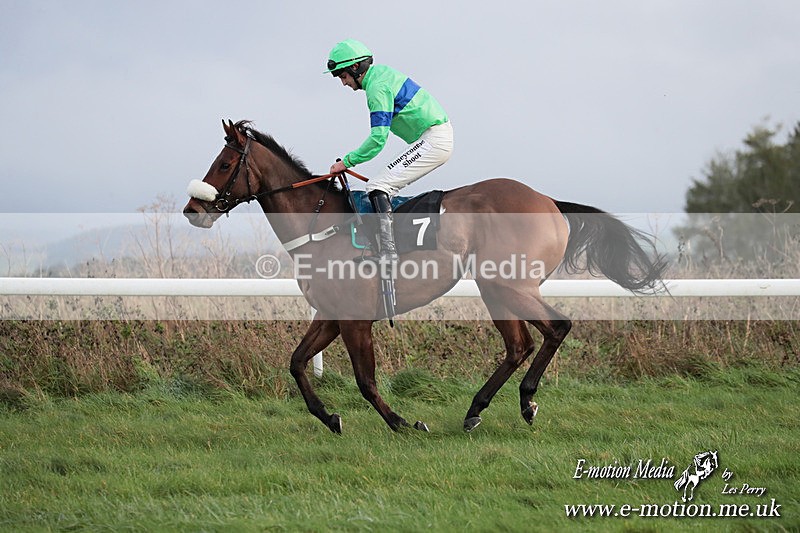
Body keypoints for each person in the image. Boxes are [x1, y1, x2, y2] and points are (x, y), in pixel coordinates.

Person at [326, 39, 453, 264]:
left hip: (435, 139)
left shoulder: (376, 88)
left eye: (343, 76)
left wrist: (346, 162)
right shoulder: (381, 74)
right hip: (434, 137)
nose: (343, 83)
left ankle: (389, 253)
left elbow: (377, 140)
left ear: (356, 68)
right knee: (383, 185)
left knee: (377, 185)